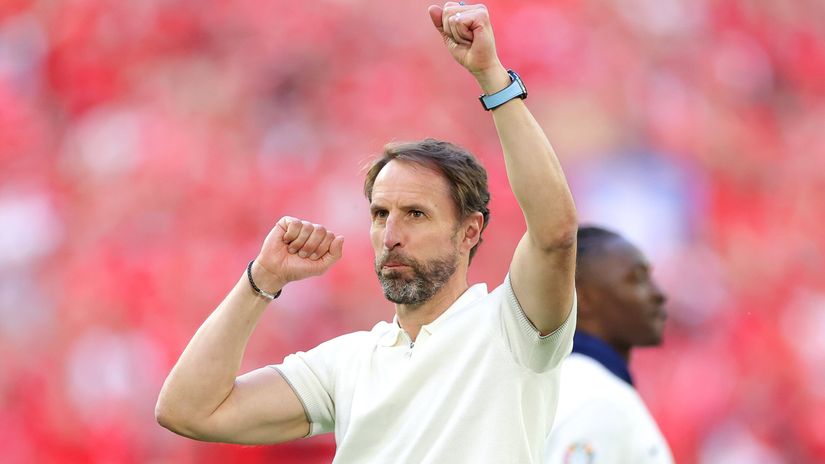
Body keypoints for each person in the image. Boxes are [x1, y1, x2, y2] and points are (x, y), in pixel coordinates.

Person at [155, 3, 578, 462]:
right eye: (380, 214)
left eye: (416, 214)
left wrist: (491, 77)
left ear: (469, 230)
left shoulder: (513, 329)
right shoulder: (350, 361)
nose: (391, 234)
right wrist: (260, 281)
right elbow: (188, 410)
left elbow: (554, 233)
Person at [543, 226, 674, 463]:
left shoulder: (575, 384)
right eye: (637, 278)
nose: (659, 294)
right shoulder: (595, 397)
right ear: (583, 297)